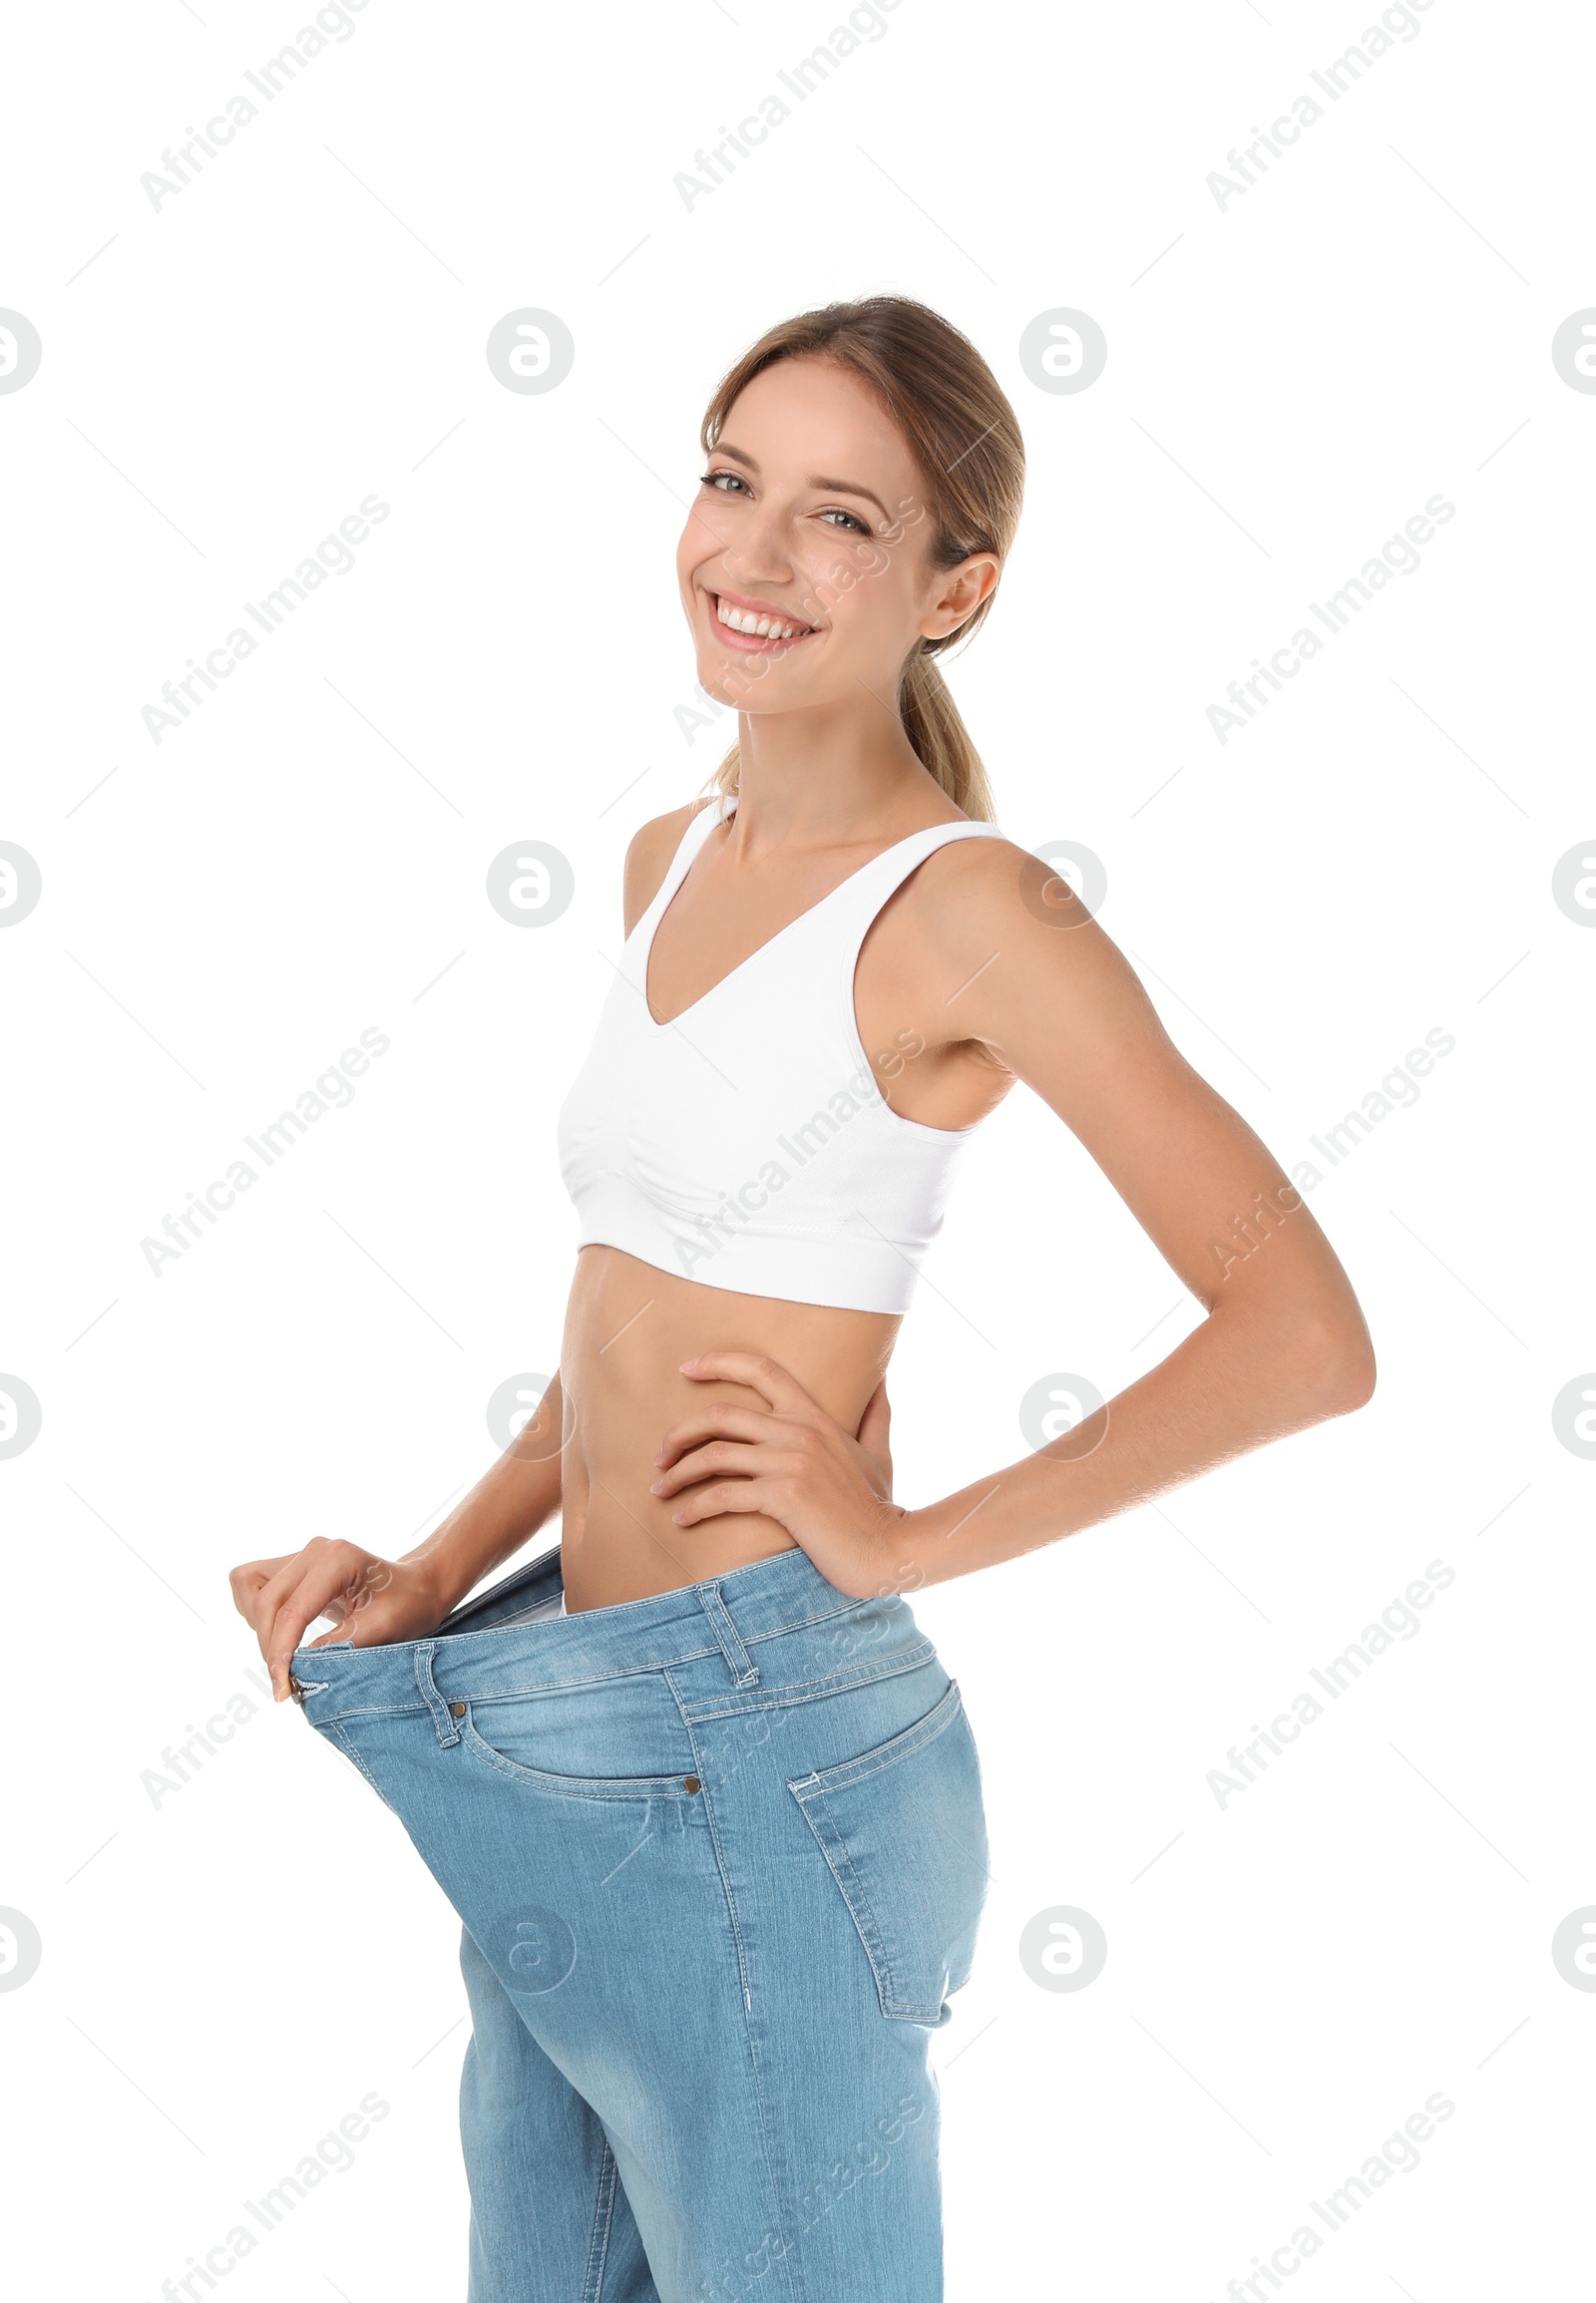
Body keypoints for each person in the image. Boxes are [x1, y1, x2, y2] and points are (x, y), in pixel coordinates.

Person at [230, 295, 1375, 2303]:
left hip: (757, 1750)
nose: (751, 555)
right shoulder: (669, 858)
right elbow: (636, 1316)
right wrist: (438, 1562)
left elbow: (1301, 1337)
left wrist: (904, 1536)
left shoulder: (970, 915)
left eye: (839, 518)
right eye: (727, 480)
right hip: (569, 1704)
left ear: (957, 590)